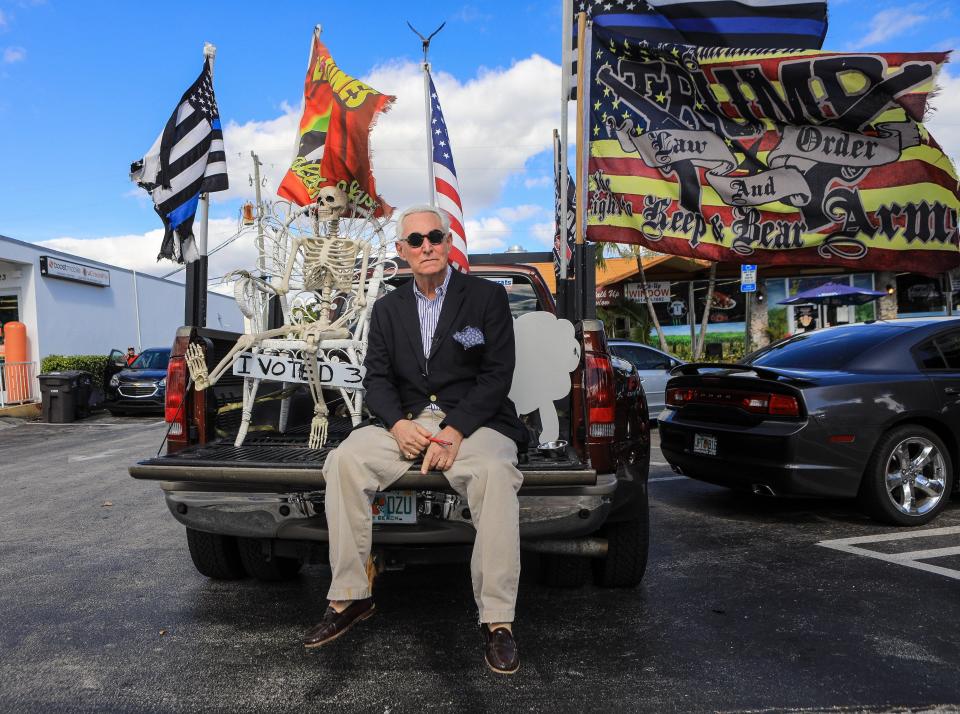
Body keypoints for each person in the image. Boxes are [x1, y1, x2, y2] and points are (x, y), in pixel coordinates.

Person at [303, 205, 527, 674]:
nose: (427, 246)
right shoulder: (388, 308)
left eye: (435, 236)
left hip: (474, 423)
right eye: (416, 240)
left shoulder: (485, 298)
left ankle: (498, 620)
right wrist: (397, 425)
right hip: (406, 422)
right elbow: (377, 378)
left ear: (448, 244)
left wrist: (455, 429)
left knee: (494, 472)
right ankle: (349, 597)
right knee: (344, 461)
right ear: (402, 251)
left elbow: (497, 375)